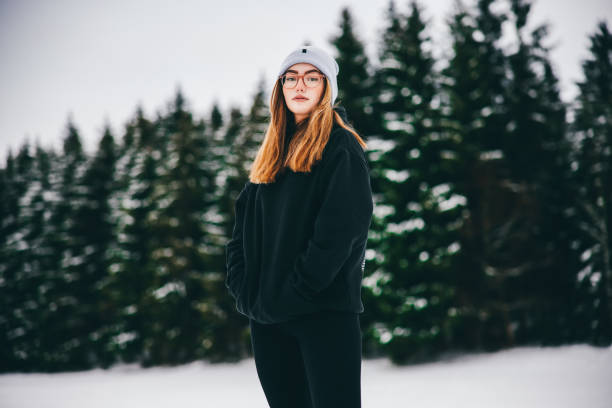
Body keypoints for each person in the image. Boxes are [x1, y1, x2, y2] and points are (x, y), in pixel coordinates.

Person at [225, 44, 373, 408]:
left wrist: (296, 292)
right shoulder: (271, 154)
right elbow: (240, 236)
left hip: (323, 316)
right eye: (290, 78)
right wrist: (247, 293)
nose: (299, 85)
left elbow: (341, 232)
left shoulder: (340, 147)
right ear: (280, 89)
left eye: (311, 77)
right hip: (268, 321)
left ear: (327, 88)